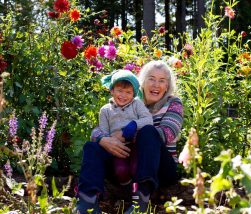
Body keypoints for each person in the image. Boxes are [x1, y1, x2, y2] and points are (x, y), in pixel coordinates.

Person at [76, 60, 184, 214]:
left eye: (162, 81)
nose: (156, 85)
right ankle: (87, 202)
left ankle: (141, 202)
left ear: (167, 86)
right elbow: (97, 130)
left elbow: (168, 132)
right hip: (124, 164)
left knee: (148, 131)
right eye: (151, 79)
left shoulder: (173, 103)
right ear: (142, 83)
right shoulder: (129, 100)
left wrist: (126, 134)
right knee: (92, 147)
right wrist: (104, 140)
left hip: (161, 169)